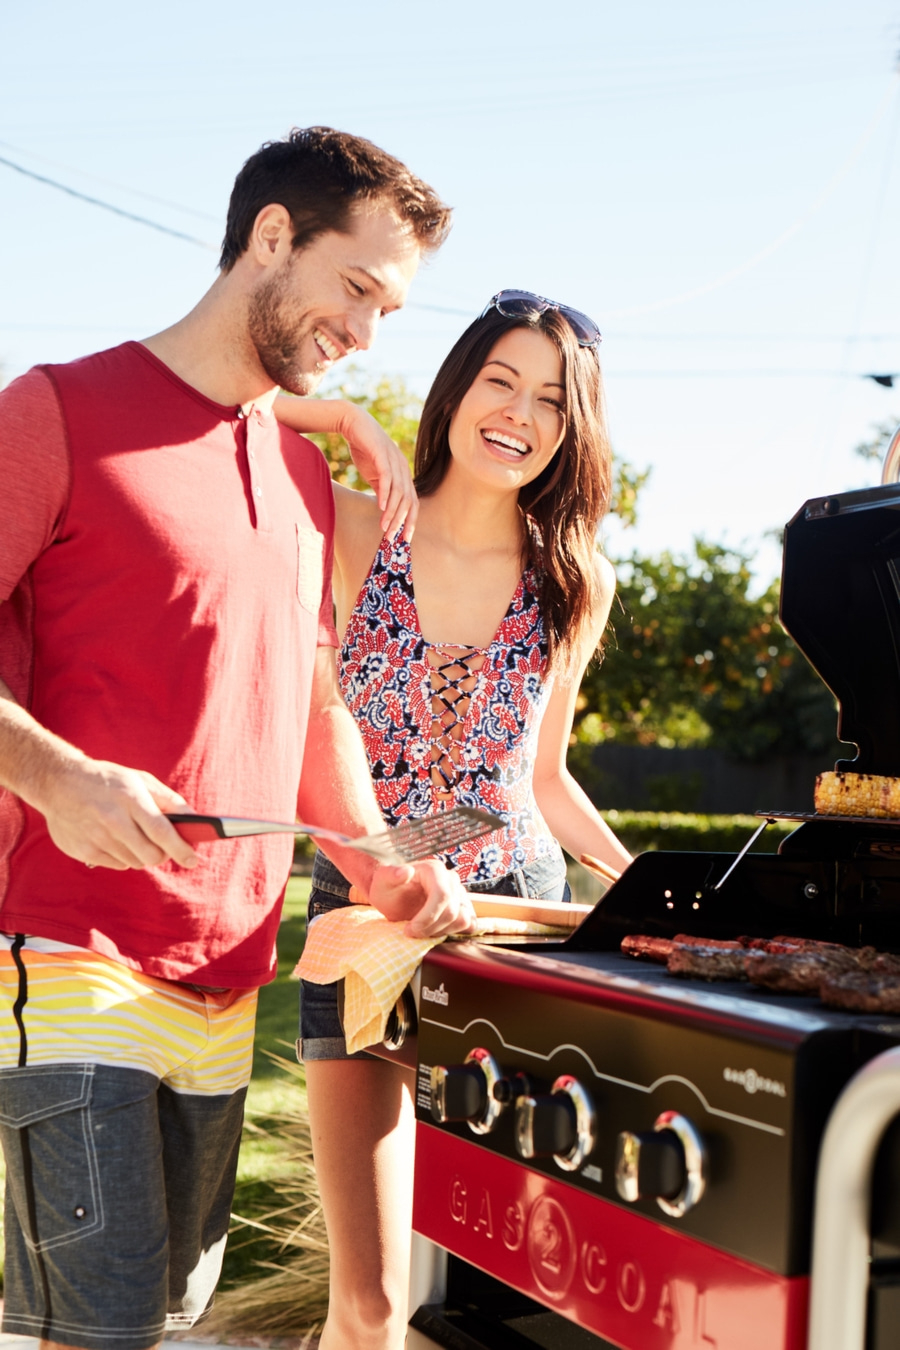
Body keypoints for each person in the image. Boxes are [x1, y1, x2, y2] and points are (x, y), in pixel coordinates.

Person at [0, 126, 476, 1350]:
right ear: (272, 238)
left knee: (162, 1321)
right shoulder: (55, 411)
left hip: (229, 978)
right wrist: (54, 773)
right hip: (66, 955)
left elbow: (313, 700)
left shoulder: (303, 475)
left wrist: (376, 856)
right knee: (97, 1330)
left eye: (390, 307)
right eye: (356, 288)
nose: (369, 333)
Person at [275, 290, 633, 1350]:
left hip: (513, 927)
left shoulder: (576, 579)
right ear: (458, 387)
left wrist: (637, 880)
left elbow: (544, 778)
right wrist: (342, 416)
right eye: (500, 381)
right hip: (368, 909)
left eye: (553, 402)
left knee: (493, 1305)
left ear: (574, 431)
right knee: (375, 1299)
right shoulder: (348, 519)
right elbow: (225, 412)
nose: (520, 414)